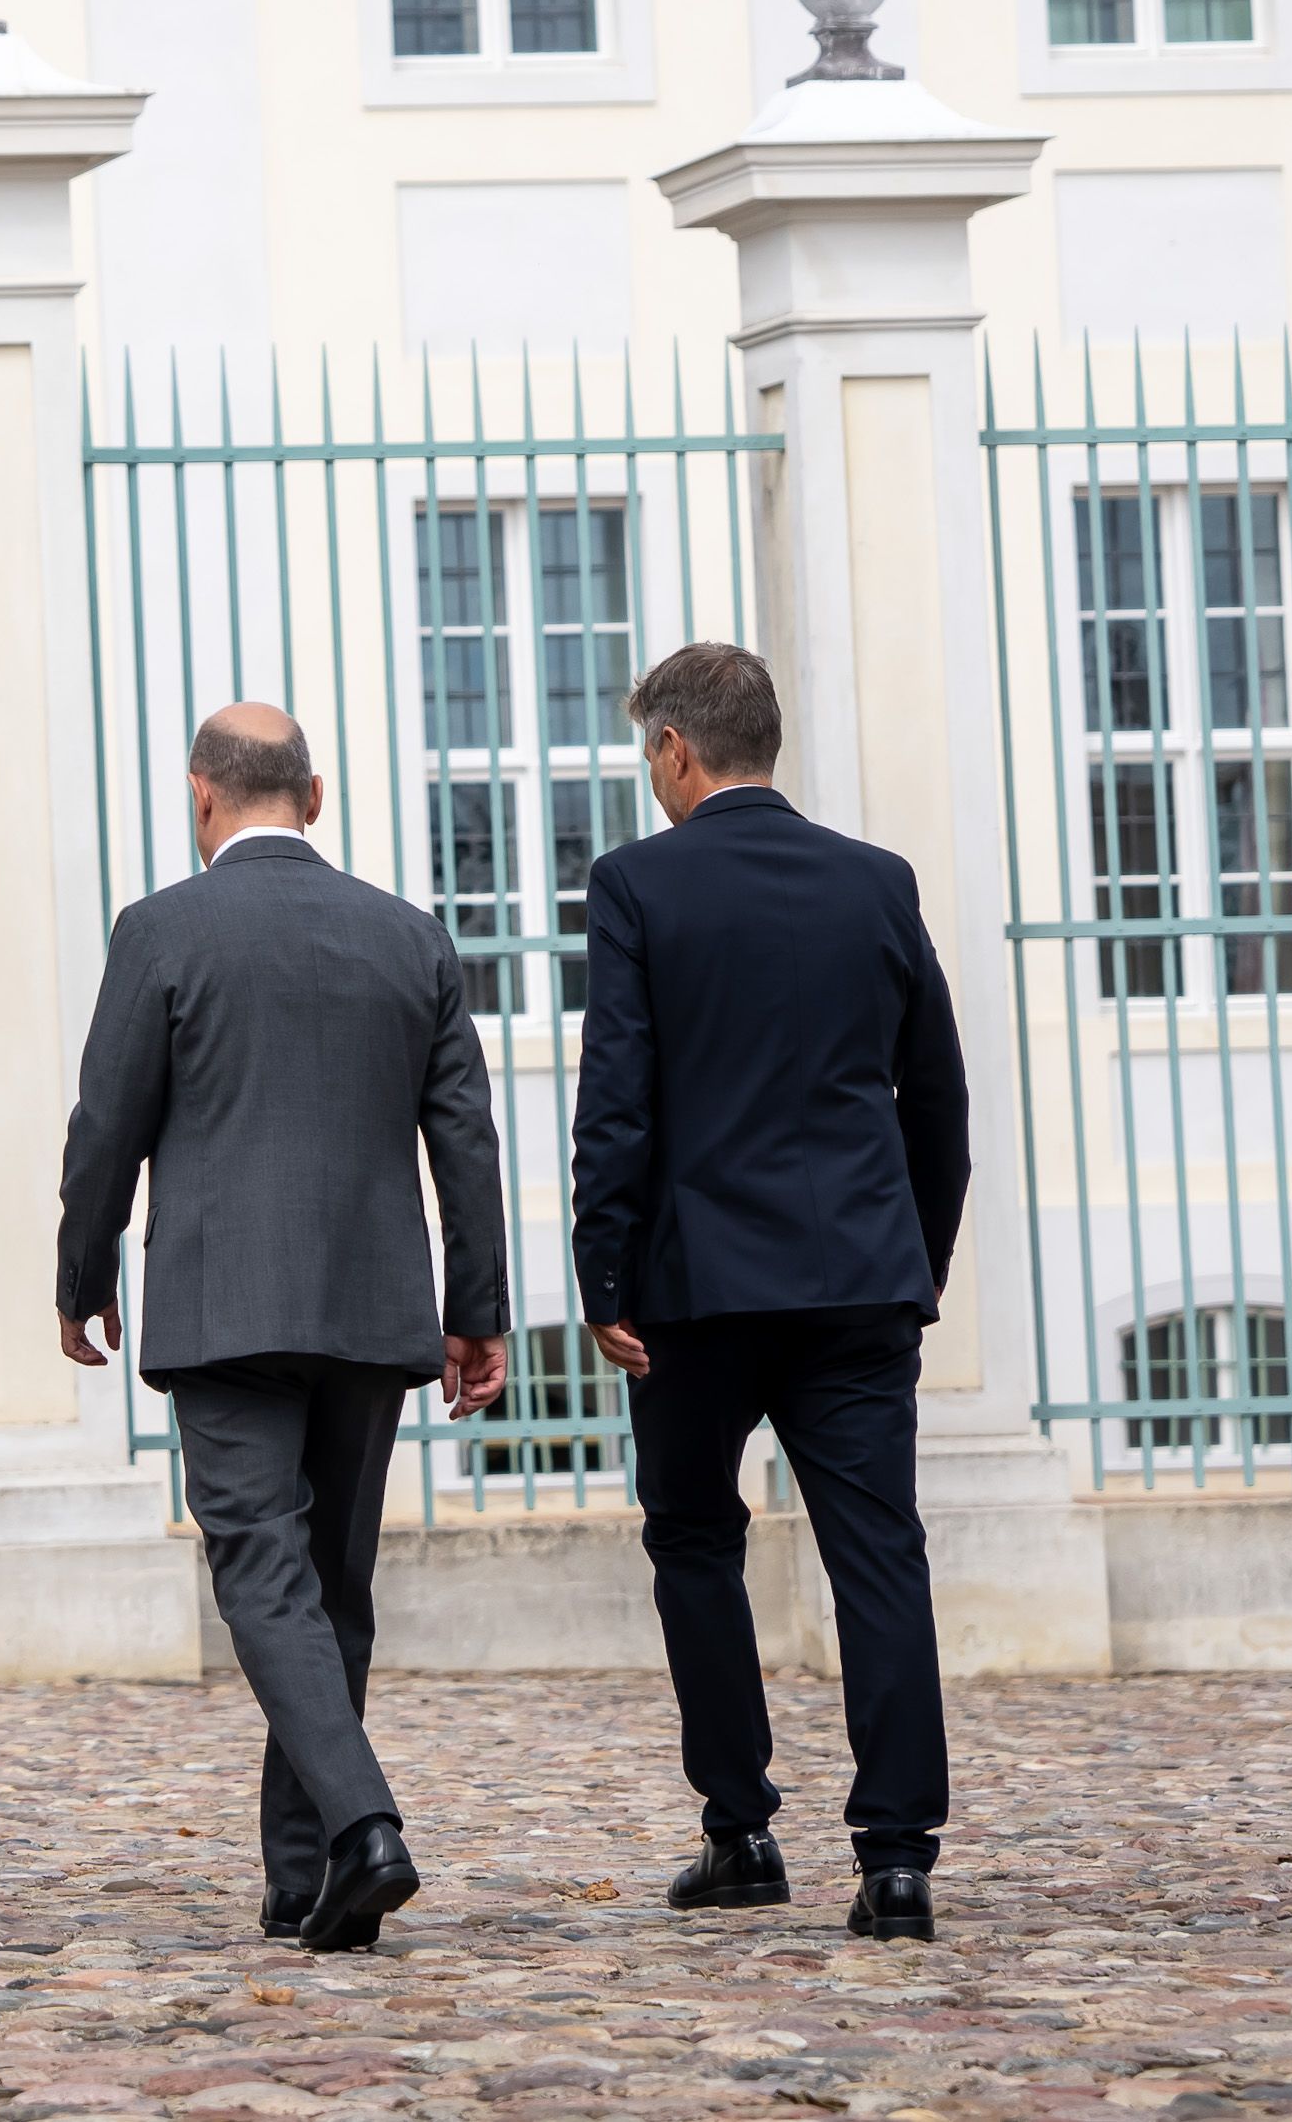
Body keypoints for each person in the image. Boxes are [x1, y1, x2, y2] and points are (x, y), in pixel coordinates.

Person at [52, 702, 511, 1957]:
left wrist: (82, 1271)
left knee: (263, 1571)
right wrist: (477, 1310)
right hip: (370, 1304)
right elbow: (465, 1138)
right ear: (315, 796)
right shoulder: (410, 935)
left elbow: (106, 1125)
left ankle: (362, 1828)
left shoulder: (160, 930)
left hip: (225, 1305)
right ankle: (303, 1877)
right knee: (332, 1588)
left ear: (201, 794)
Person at [565, 639, 973, 1941]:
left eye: (649, 754)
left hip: (696, 1289)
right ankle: (897, 1857)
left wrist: (603, 1271)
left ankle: (739, 1830)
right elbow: (938, 1096)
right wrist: (916, 1260)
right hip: (859, 1279)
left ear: (676, 749)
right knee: (879, 1550)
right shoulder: (876, 880)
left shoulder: (636, 883)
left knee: (695, 1539)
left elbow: (617, 1099)